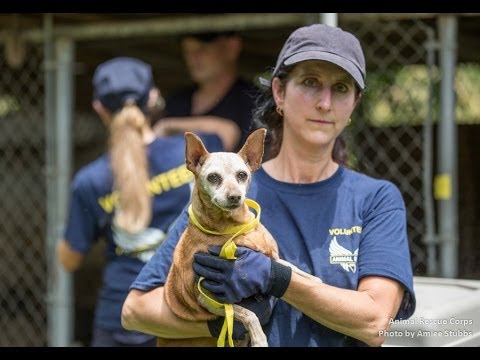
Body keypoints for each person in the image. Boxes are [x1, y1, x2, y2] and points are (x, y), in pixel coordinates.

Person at [122, 24, 416, 347]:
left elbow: (375, 323)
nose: (325, 103)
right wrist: (225, 321)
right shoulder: (229, 195)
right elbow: (135, 310)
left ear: (354, 105)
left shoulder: (374, 200)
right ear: (279, 93)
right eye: (310, 83)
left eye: (342, 88)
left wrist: (278, 278)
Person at [56, 57, 237, 347]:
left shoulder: (90, 181)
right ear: (153, 98)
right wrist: (168, 125)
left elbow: (69, 259)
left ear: (99, 109)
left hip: (120, 315)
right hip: (185, 312)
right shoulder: (195, 153)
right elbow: (229, 131)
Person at [154, 31, 258, 152]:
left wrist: (168, 126)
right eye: (187, 51)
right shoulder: (176, 103)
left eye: (202, 49)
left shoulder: (254, 102)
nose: (193, 58)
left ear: (232, 47)